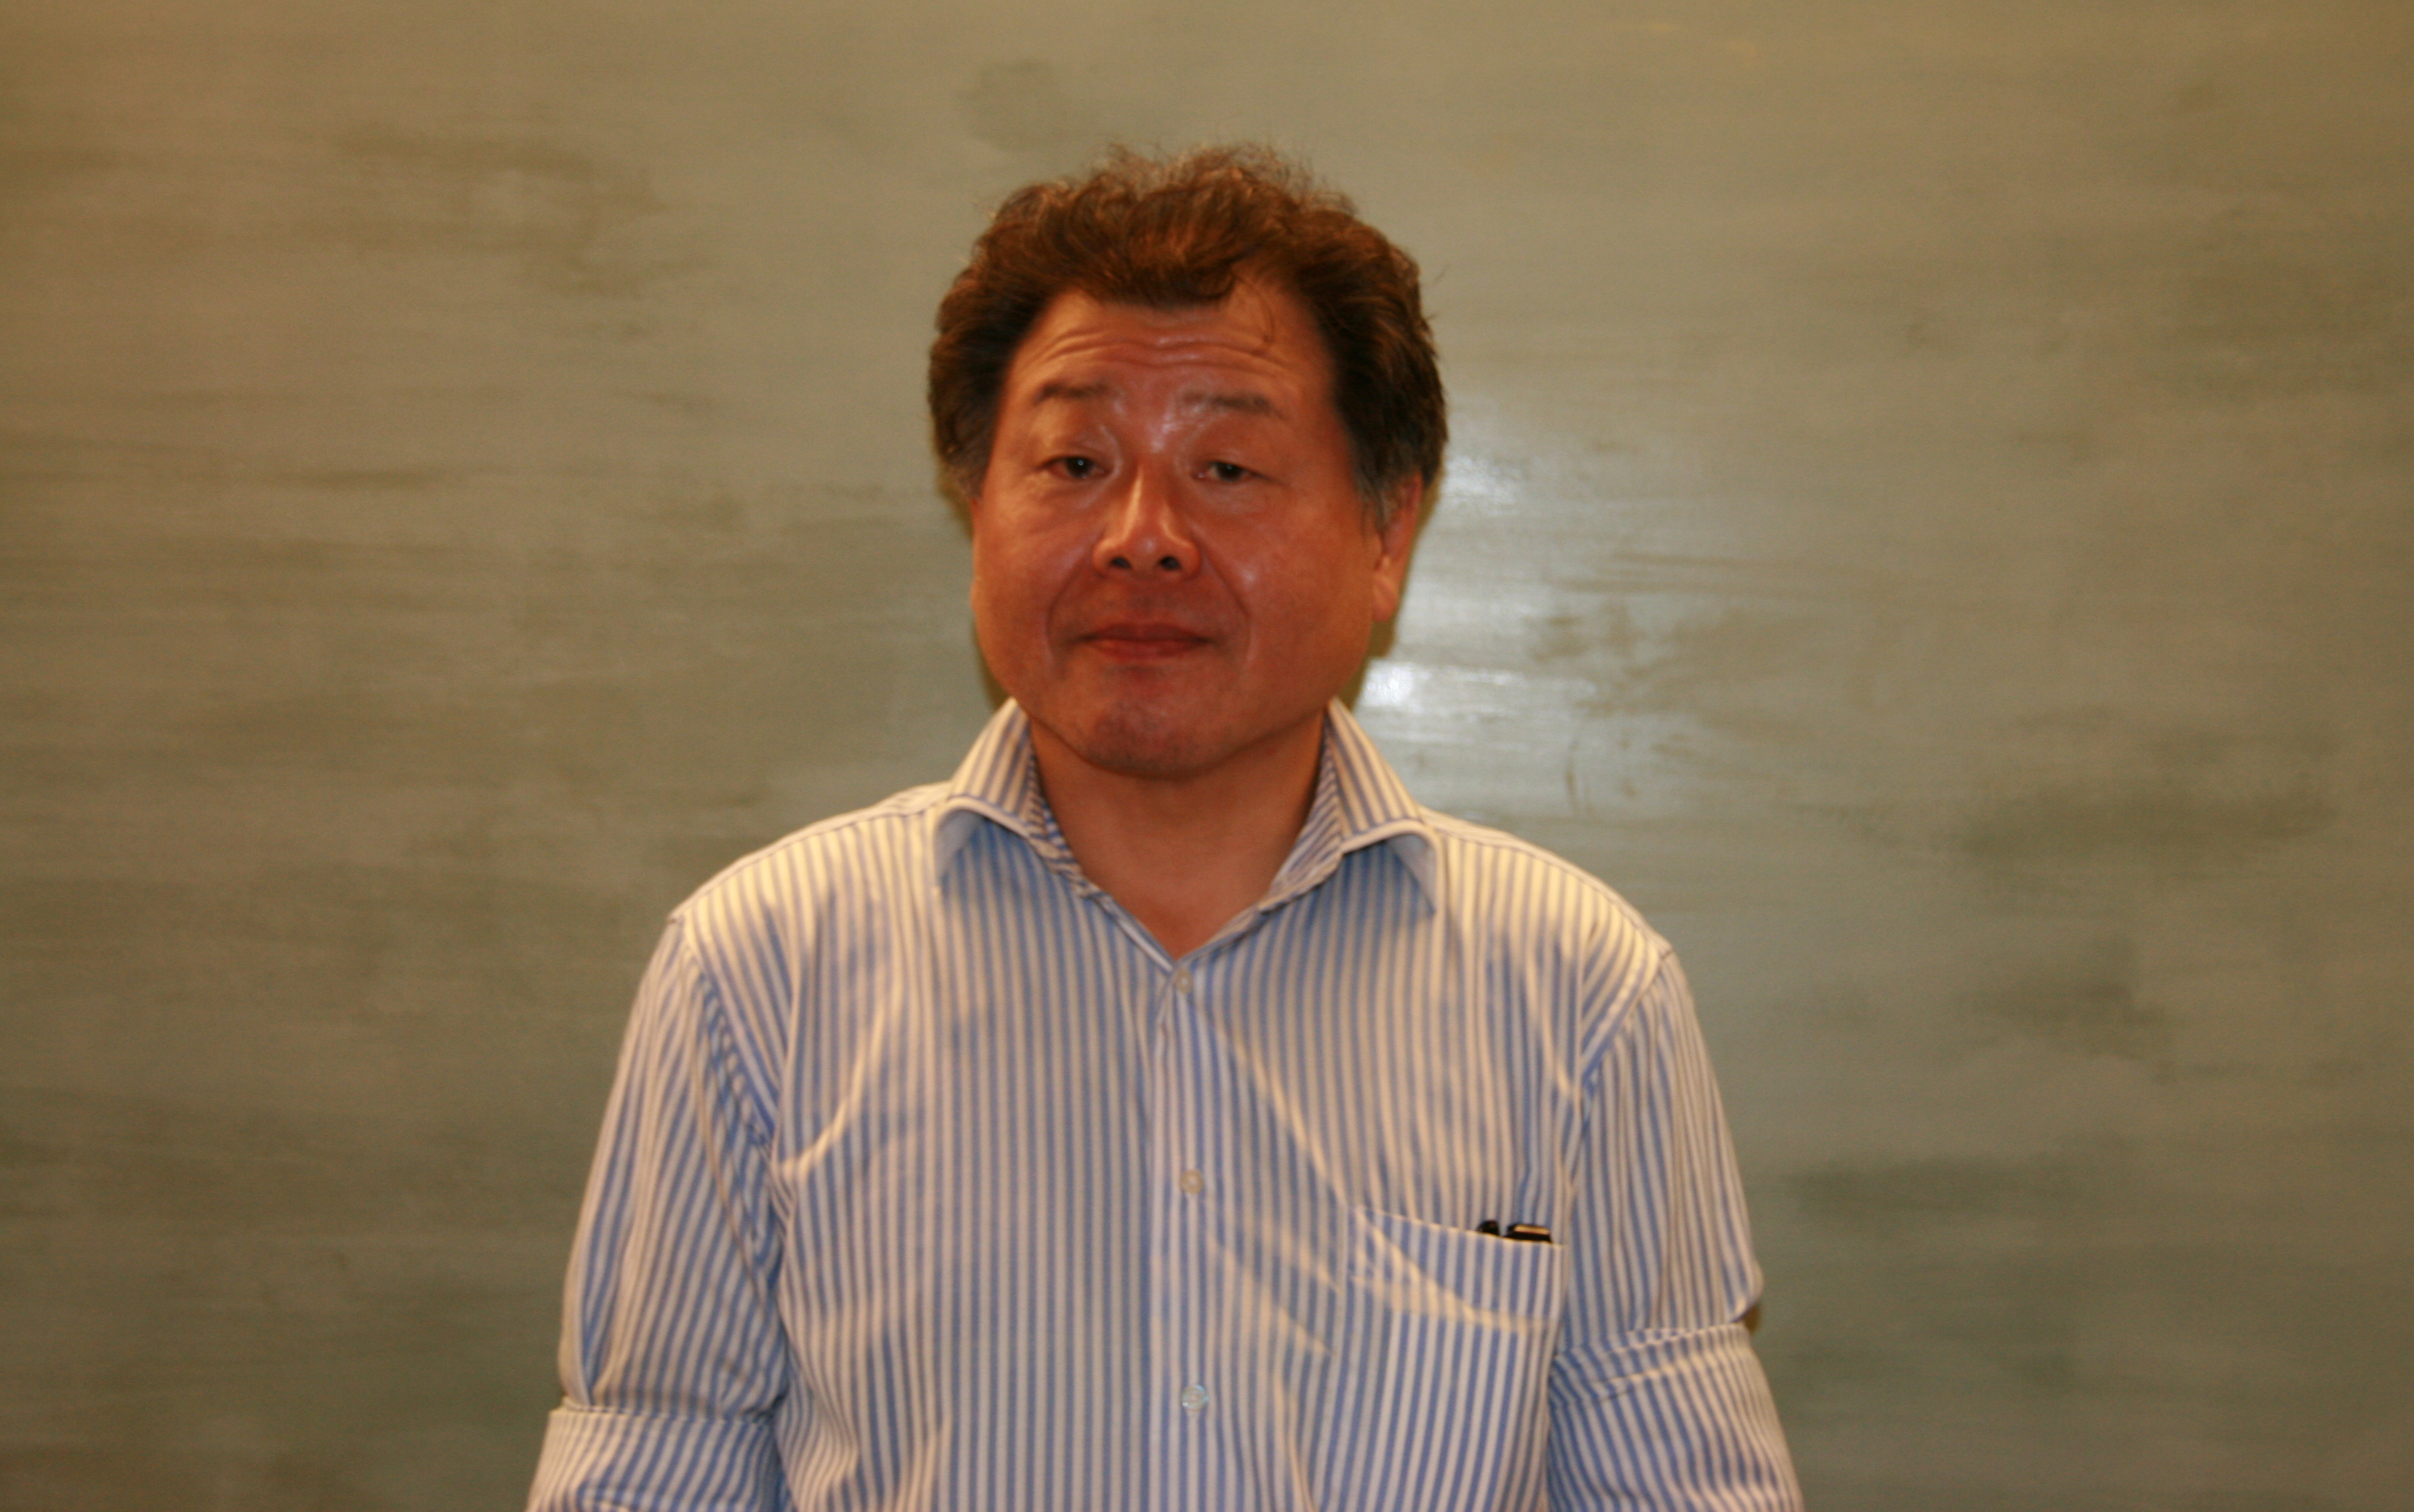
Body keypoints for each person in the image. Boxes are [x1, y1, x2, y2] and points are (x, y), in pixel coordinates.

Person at [525, 146, 1801, 1511]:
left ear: (1388, 535)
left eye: (1228, 466)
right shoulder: (758, 970)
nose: (1143, 537)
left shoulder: (1578, 992)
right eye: (1075, 462)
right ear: (977, 511)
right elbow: (653, 1463)